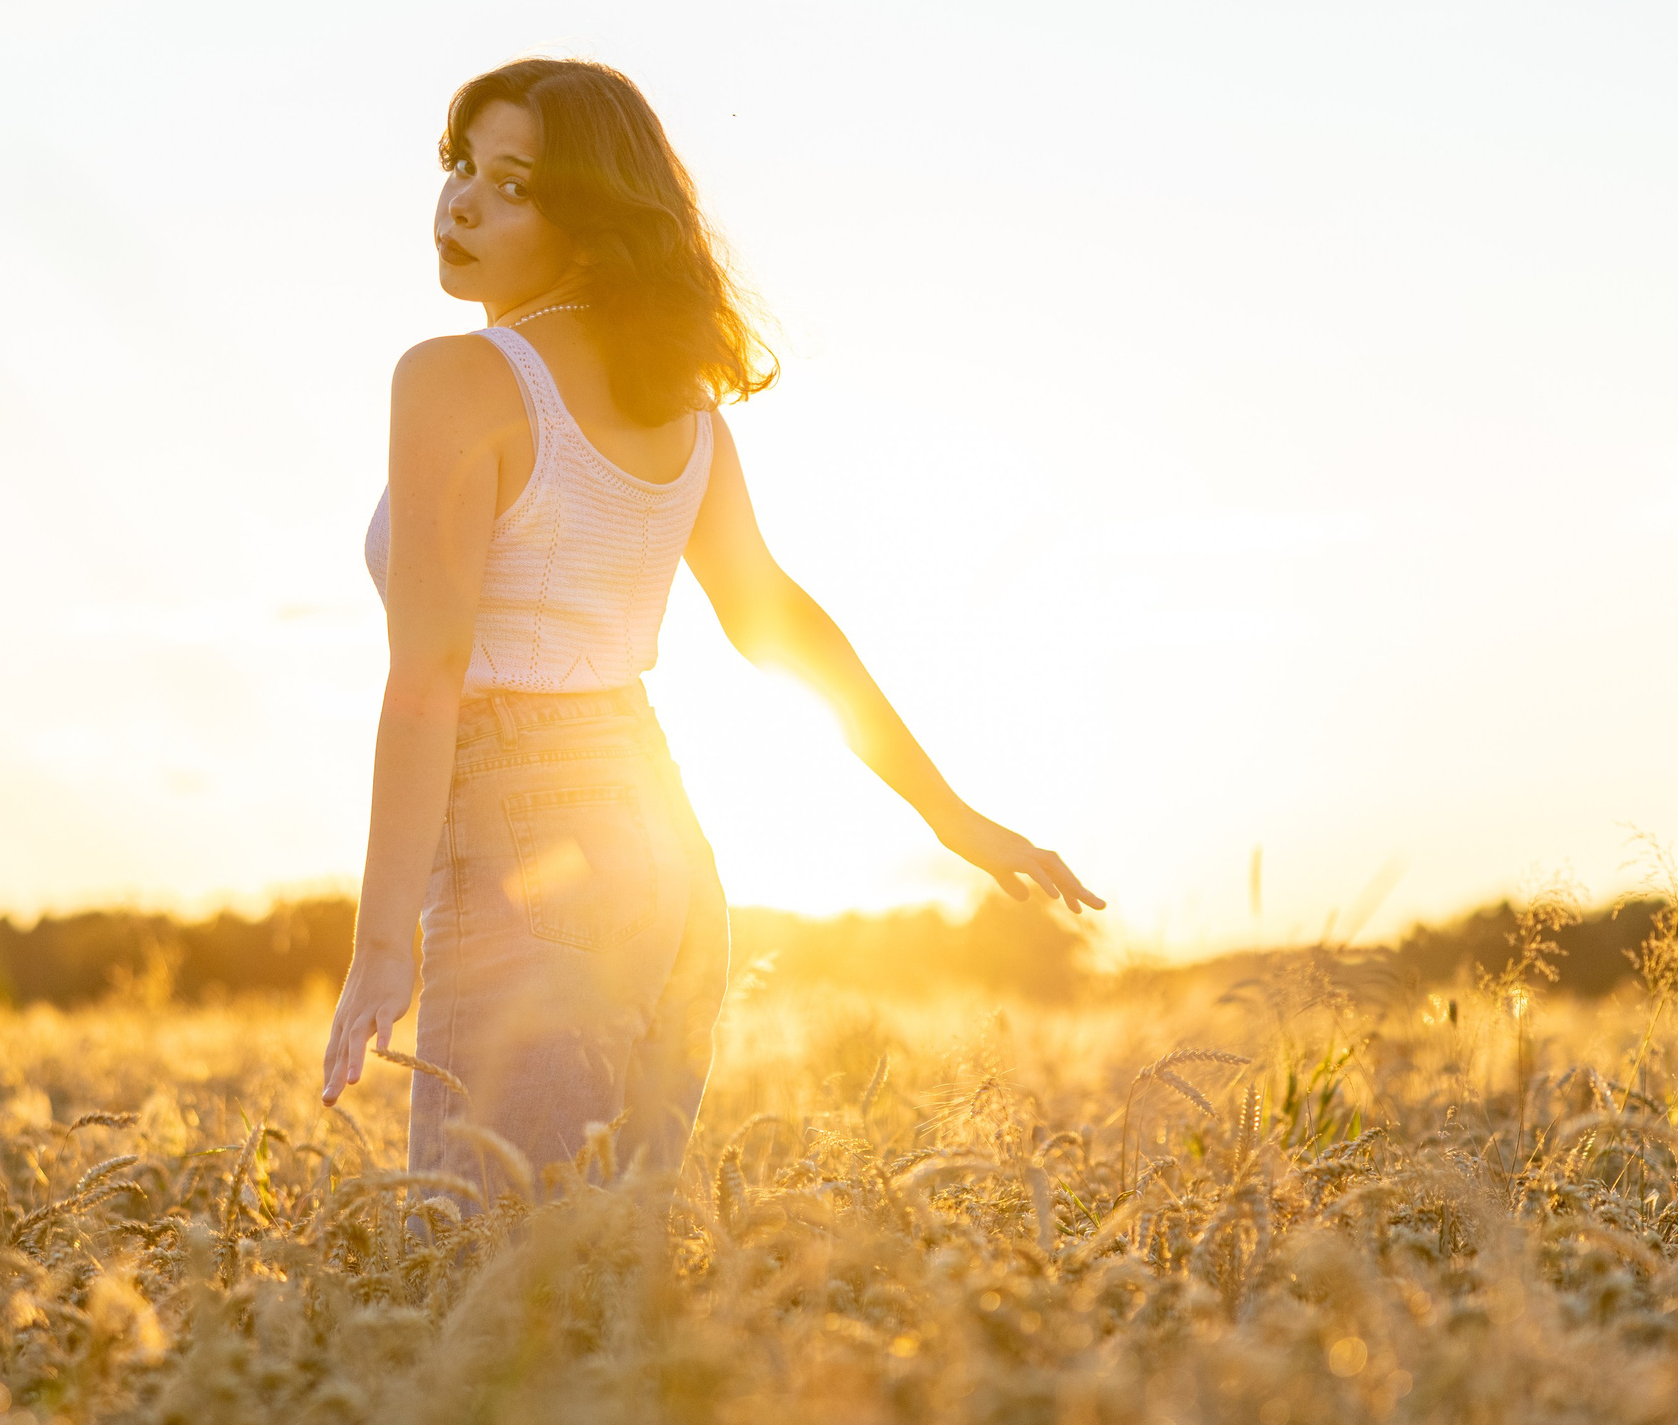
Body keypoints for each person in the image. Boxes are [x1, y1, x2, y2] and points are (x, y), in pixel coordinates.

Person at [321, 58, 1104, 1196]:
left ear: (589, 222)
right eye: (458, 167)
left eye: (514, 184)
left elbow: (431, 672)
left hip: (520, 846)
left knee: (486, 1290)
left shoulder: (455, 379)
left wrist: (383, 944)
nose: (462, 203)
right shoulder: (678, 416)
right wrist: (951, 816)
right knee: (610, 1277)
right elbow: (777, 620)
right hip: (664, 858)